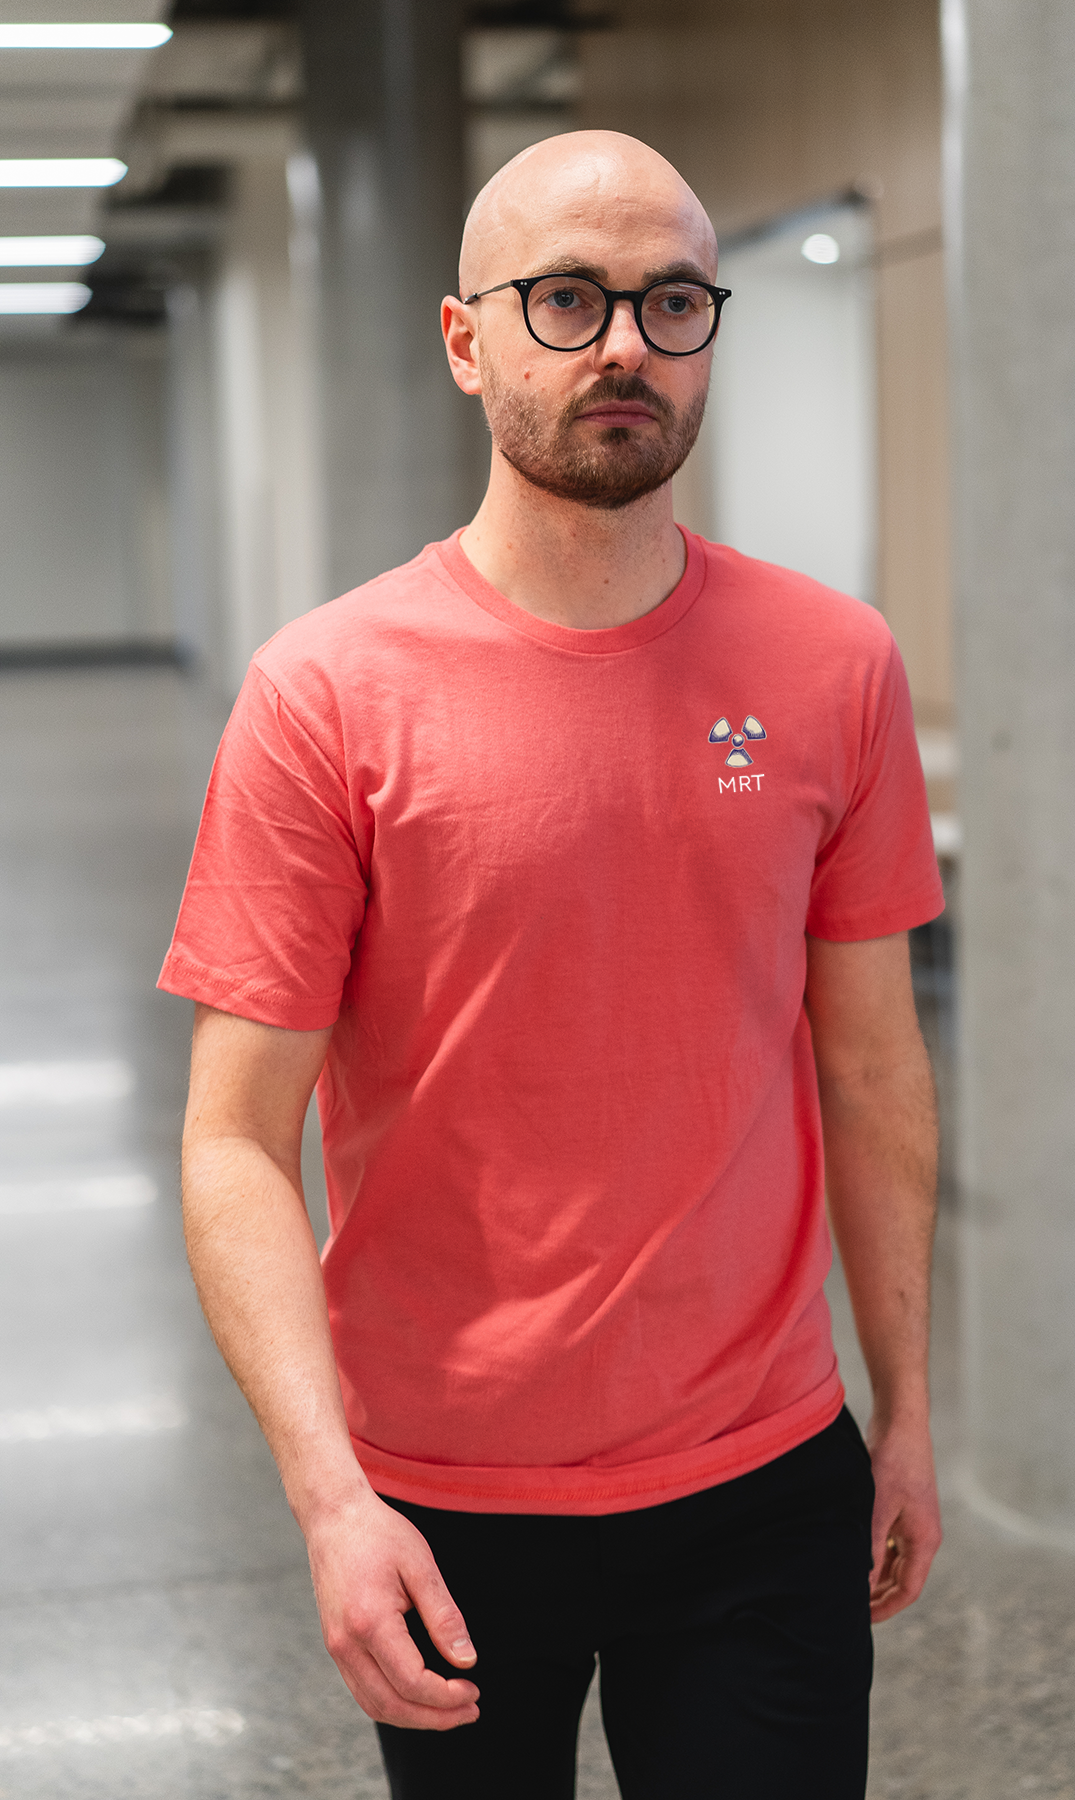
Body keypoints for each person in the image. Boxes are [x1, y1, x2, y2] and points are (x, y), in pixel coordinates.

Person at [161, 130, 944, 1800]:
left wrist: (909, 1409)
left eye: (673, 303)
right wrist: (329, 1498)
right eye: (569, 299)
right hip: (443, 1505)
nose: (626, 347)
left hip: (762, 1478)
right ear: (466, 341)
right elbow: (233, 1139)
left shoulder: (834, 665)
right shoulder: (326, 693)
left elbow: (874, 1069)